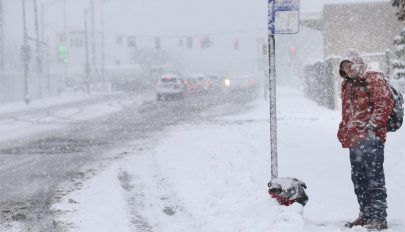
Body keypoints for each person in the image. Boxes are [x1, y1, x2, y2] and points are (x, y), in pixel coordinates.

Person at [337, 49, 393, 230]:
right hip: (354, 140)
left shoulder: (374, 79)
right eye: (344, 66)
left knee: (374, 178)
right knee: (359, 179)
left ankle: (378, 218)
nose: (348, 69)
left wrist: (372, 128)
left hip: (371, 139)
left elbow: (384, 103)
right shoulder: (347, 85)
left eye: (350, 64)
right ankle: (365, 214)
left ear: (358, 63)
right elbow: (347, 111)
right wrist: (343, 129)